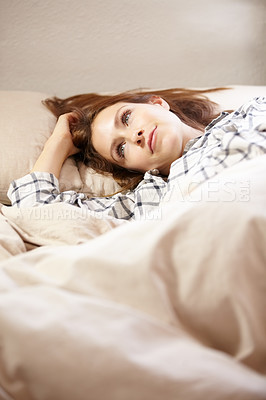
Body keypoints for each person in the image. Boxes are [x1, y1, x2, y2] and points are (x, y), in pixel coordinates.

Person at [8, 88, 266, 220]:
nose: (134, 136)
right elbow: (35, 211)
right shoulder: (152, 198)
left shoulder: (254, 111)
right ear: (135, 169)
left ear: (157, 103)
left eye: (127, 118)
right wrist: (58, 143)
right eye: (121, 149)